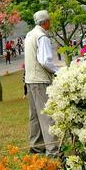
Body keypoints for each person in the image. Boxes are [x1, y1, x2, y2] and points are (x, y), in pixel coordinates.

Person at [24, 10, 60, 158]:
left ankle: (36, 147)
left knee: (34, 116)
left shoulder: (29, 35)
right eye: (49, 20)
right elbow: (45, 61)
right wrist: (57, 71)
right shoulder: (42, 36)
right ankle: (52, 151)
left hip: (30, 80)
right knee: (46, 116)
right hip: (40, 80)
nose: (50, 23)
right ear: (45, 22)